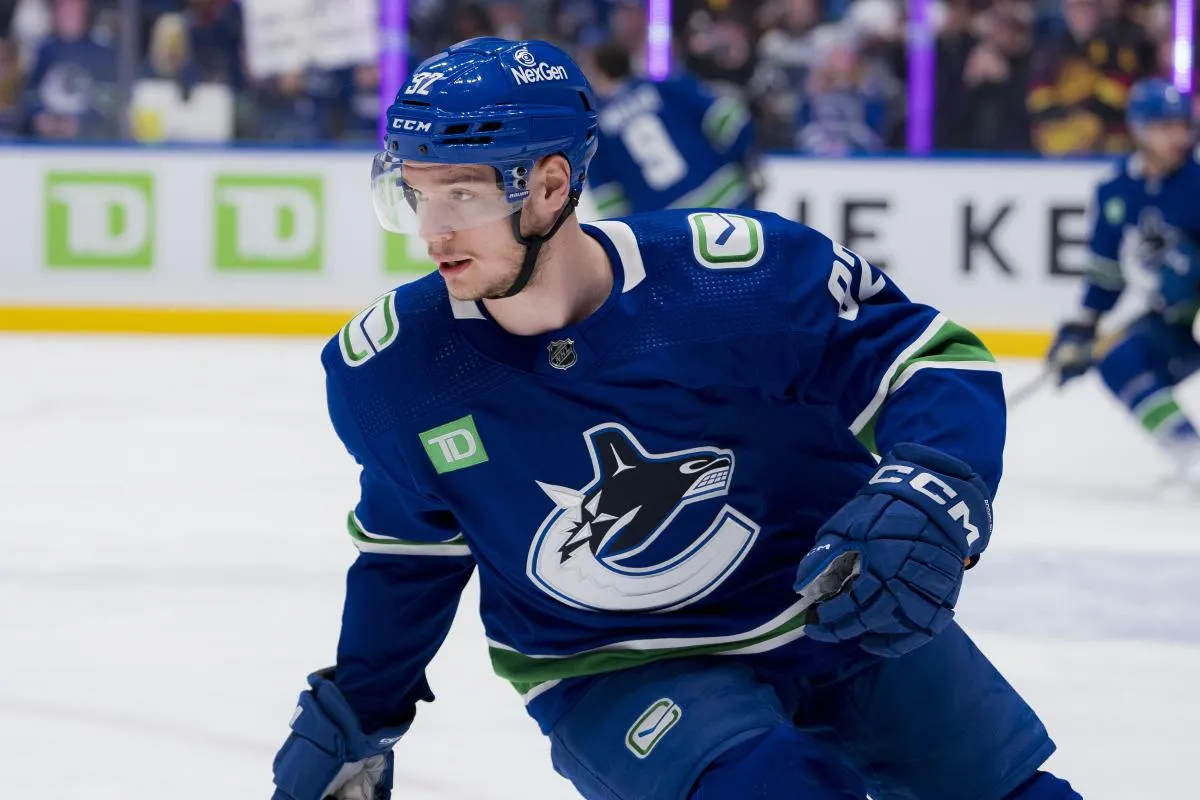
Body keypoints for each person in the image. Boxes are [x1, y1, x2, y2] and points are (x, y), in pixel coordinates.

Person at [270, 37, 1081, 800]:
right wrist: (361, 710)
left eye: (462, 194)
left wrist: (932, 481)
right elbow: (410, 552)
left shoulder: (737, 279)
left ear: (550, 185)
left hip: (833, 602)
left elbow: (927, 360)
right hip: (614, 663)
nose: (432, 231)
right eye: (416, 193)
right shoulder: (398, 370)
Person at [1047, 77, 1200, 478]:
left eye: (1182, 126)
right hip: (1175, 318)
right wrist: (1082, 328)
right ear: (1139, 130)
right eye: (1165, 127)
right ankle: (1188, 450)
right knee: (1118, 359)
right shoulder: (1116, 190)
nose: (1178, 137)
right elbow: (1106, 272)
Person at [583, 38, 760, 216]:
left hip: (671, 222)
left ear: (598, 72)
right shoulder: (665, 85)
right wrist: (745, 162)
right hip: (726, 198)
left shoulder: (595, 130)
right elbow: (727, 119)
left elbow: (609, 201)